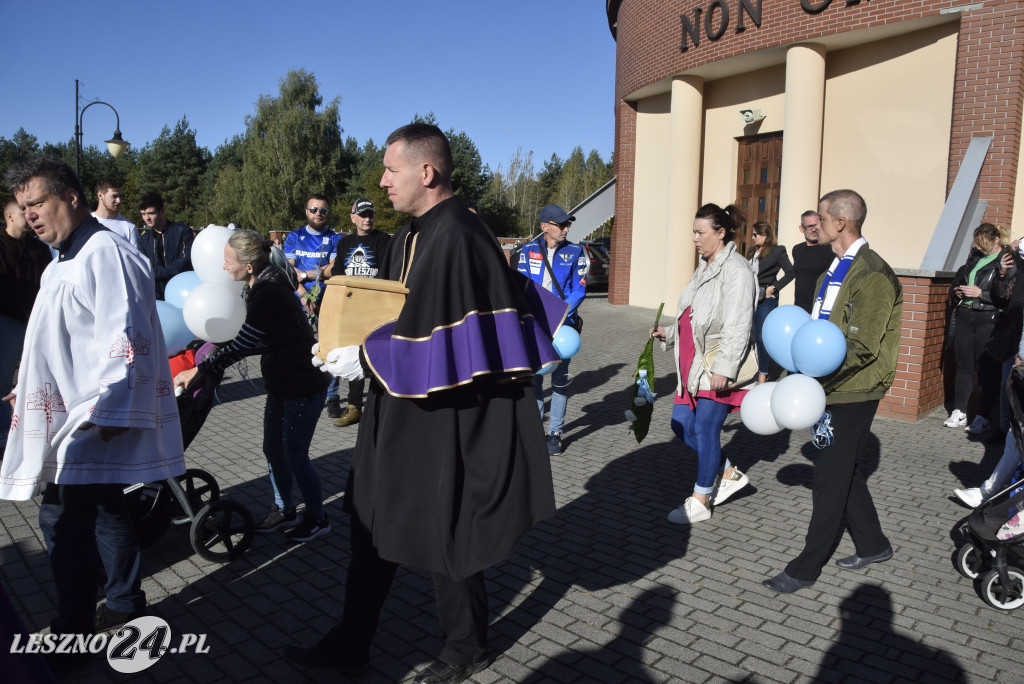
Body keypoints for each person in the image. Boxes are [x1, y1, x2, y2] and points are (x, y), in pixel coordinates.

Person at [284, 123, 562, 684]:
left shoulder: (459, 233)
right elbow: (393, 315)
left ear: (426, 172)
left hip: (445, 413)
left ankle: (465, 649)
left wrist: (364, 360)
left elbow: (450, 336)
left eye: (391, 170)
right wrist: (344, 343)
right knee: (368, 518)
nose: (383, 182)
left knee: (443, 527)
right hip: (397, 403)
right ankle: (351, 641)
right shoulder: (412, 234)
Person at [0, 156, 184, 643]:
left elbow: (124, 336)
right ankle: (124, 604)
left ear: (73, 197)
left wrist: (114, 408)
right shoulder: (66, 257)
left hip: (93, 413)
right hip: (76, 409)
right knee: (103, 507)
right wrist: (27, 383)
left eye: (38, 202)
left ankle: (73, 629)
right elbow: (57, 337)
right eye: (23, 206)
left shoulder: (105, 253)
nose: (31, 214)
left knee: (59, 518)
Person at [763, 189, 902, 594]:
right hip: (827, 387)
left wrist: (813, 380)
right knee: (844, 471)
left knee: (828, 477)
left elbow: (861, 347)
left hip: (854, 391)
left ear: (840, 223)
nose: (814, 226)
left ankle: (805, 567)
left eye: (820, 220)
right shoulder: (834, 268)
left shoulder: (872, 274)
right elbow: (815, 333)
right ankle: (874, 545)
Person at [174, 231, 330, 541]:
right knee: (273, 449)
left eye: (227, 261)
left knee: (295, 455)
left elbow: (243, 341)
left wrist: (200, 370)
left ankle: (317, 516)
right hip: (281, 383)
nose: (222, 268)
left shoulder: (269, 291)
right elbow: (249, 336)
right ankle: (284, 509)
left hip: (304, 384)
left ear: (248, 266)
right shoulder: (258, 287)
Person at [651, 203, 756, 525]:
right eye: (694, 232)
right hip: (690, 365)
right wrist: (669, 332)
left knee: (706, 430)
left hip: (715, 364)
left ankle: (700, 499)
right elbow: (695, 315)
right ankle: (728, 473)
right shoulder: (705, 265)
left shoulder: (736, 270)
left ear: (720, 233)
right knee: (681, 425)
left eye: (701, 233)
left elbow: (740, 323)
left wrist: (725, 367)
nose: (695, 239)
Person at [515, 204, 589, 455]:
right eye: (561, 224)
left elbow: (579, 289)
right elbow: (521, 285)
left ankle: (555, 432)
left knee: (559, 382)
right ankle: (536, 429)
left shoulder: (576, 251)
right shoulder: (528, 251)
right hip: (535, 325)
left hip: (562, 327)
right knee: (535, 378)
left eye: (568, 224)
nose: (566, 228)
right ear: (545, 227)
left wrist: (559, 314)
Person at [328, 198, 391, 428]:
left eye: (370, 215)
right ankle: (354, 406)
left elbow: (387, 273)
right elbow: (336, 274)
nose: (367, 219)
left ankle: (380, 406)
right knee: (353, 355)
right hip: (351, 307)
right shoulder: (345, 244)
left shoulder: (383, 241)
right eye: (362, 215)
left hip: (375, 307)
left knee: (377, 354)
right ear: (353, 217)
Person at [283, 194, 342, 418]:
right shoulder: (294, 237)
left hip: (327, 299)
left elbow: (333, 269)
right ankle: (299, 391)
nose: (319, 213)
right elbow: (289, 271)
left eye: (323, 210)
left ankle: (333, 396)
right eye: (314, 209)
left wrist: (308, 274)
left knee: (328, 347)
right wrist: (304, 294)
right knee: (297, 348)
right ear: (306, 212)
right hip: (299, 299)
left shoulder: (335, 239)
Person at [0, 200, 52, 452]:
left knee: (36, 377)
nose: (29, 215)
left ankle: (33, 430)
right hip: (7, 320)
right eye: (22, 211)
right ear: (9, 216)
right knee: (3, 379)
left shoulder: (38, 248)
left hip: (35, 321)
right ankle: (3, 434)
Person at [944, 223, 1005, 433]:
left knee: (986, 369)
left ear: (996, 239)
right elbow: (958, 283)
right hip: (965, 316)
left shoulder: (1005, 261)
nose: (980, 248)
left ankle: (983, 416)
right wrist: (958, 293)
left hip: (988, 318)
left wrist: (981, 294)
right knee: (963, 366)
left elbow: (1007, 296)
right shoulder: (974, 259)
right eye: (977, 243)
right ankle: (959, 411)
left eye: (984, 243)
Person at [747, 221, 794, 383]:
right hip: (750, 298)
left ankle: (763, 373)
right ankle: (753, 369)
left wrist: (774, 288)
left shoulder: (777, 251)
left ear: (765, 235)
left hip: (766, 299)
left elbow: (791, 272)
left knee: (762, 337)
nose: (752, 238)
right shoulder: (752, 251)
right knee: (751, 336)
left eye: (755, 235)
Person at [137, 191, 194, 299]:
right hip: (155, 294)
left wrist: (158, 273)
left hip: (181, 290)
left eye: (151, 213)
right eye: (143, 214)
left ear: (162, 211)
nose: (147, 218)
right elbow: (145, 268)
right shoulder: (144, 240)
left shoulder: (183, 232)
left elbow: (185, 261)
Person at [791, 210, 834, 313]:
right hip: (800, 308)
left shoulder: (830, 249)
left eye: (816, 225)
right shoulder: (797, 250)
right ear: (801, 228)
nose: (814, 229)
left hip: (821, 309)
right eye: (810, 226)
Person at [91, 177, 138, 250]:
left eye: (121, 196)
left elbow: (135, 258)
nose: (119, 201)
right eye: (114, 196)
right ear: (100, 195)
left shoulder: (129, 227)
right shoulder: (84, 224)